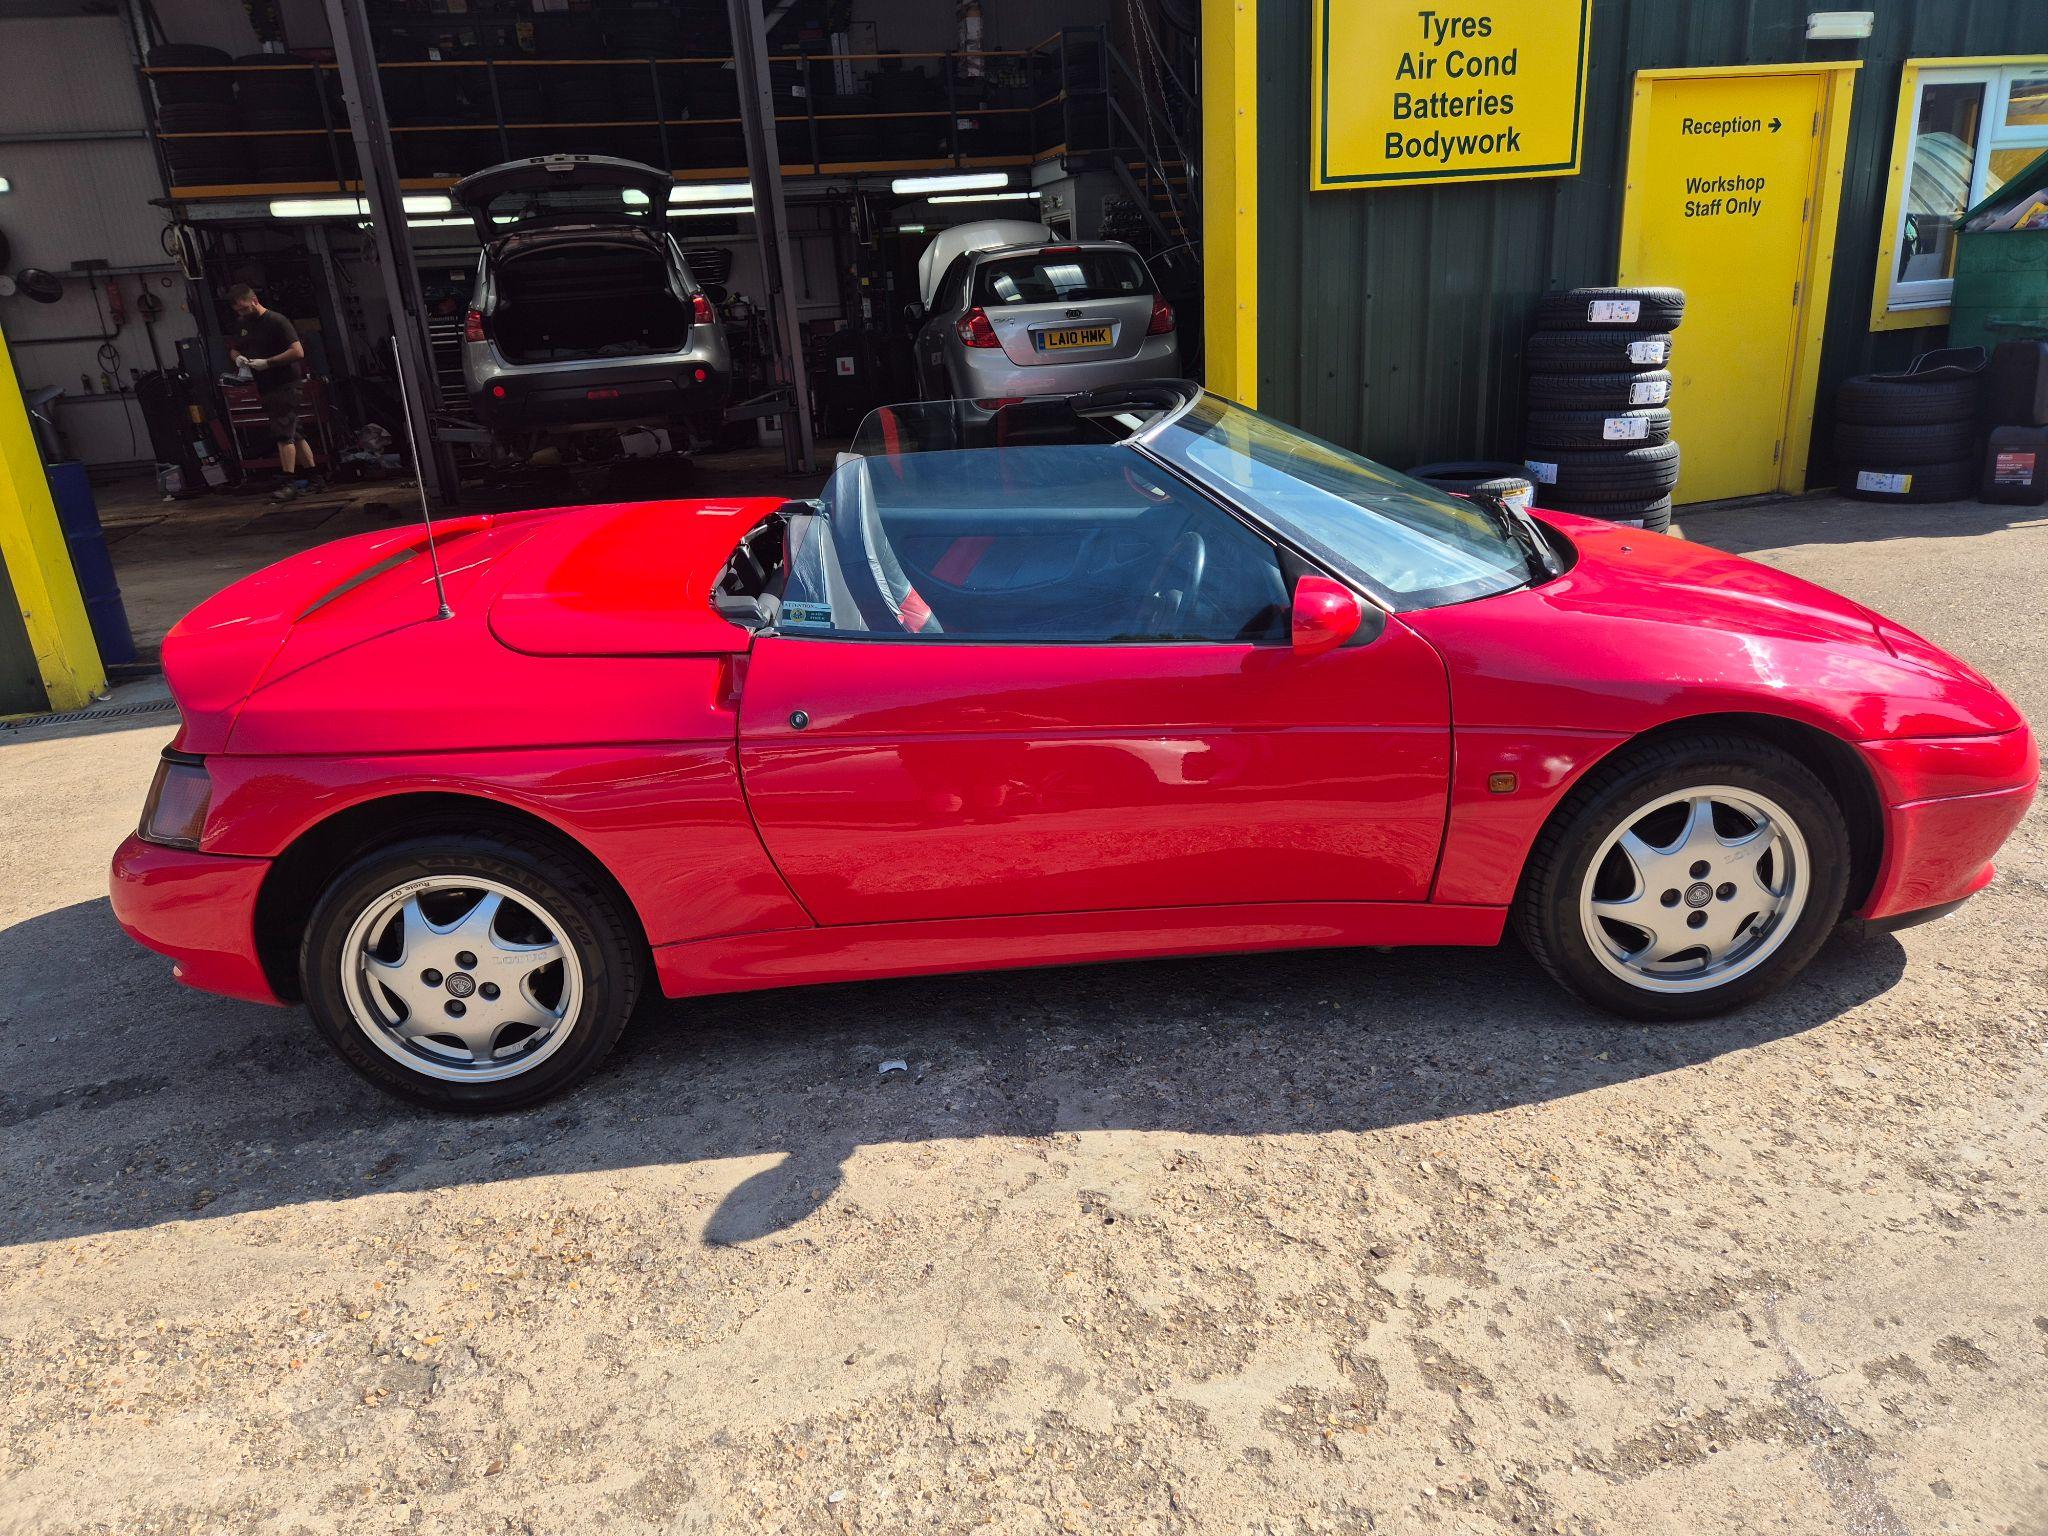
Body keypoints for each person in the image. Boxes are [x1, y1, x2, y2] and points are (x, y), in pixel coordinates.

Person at [227, 284, 321, 501]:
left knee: (283, 434)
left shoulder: (277, 321)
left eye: (243, 308)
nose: (241, 314)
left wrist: (268, 363)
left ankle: (289, 483)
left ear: (254, 300)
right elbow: (234, 347)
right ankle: (316, 479)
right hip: (265, 385)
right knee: (295, 432)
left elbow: (297, 351)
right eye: (238, 311)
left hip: (285, 384)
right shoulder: (244, 324)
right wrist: (237, 358)